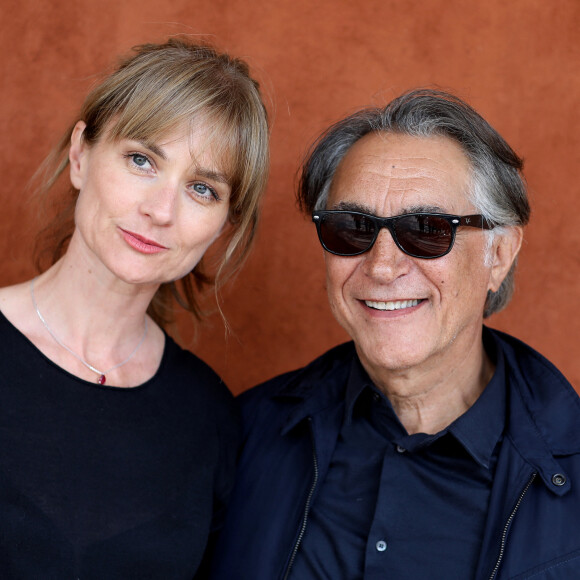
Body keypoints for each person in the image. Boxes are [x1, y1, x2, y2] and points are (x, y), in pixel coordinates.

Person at [210, 89, 580, 579]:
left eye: (427, 228)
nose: (382, 266)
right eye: (353, 226)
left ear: (500, 254)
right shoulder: (241, 435)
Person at [0, 38, 269, 578]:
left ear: (224, 224)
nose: (160, 211)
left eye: (202, 188)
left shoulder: (211, 417)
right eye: (142, 160)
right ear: (81, 156)